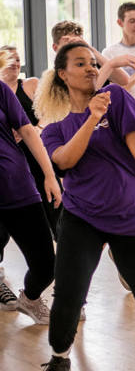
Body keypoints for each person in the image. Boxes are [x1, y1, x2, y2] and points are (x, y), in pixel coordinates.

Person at [35, 42, 135, 371]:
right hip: (82, 217)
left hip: (130, 212)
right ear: (63, 74)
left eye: (92, 62)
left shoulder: (116, 98)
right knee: (69, 292)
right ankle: (59, 356)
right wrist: (91, 119)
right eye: (80, 64)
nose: (90, 68)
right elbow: (65, 161)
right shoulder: (55, 123)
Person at [0, 49, 62, 324]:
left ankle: (31, 297)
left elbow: (27, 130)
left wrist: (50, 175)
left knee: (47, 264)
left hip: (18, 187)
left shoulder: (1, 90)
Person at [51, 20, 135, 88]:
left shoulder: (93, 67)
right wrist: (111, 64)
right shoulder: (56, 77)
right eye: (68, 45)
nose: (74, 50)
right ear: (55, 48)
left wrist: (90, 49)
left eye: (77, 44)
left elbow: (124, 80)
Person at [102, 2, 135, 107]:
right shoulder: (109, 54)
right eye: (132, 21)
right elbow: (112, 92)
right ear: (120, 23)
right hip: (129, 112)